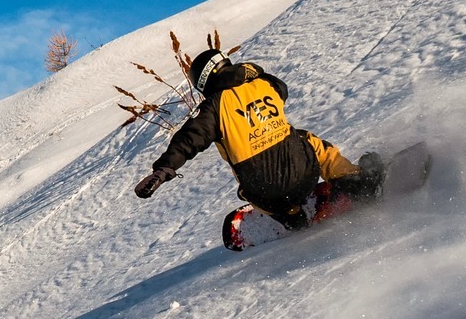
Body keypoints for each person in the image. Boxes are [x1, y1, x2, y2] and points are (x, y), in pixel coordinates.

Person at [132, 48, 384, 230]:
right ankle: (354, 180)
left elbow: (188, 139)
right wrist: (252, 75)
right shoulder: (264, 84)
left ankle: (292, 216)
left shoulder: (213, 107)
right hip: (303, 175)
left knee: (246, 182)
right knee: (307, 140)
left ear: (203, 81)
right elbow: (281, 89)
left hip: (267, 197)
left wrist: (163, 170)